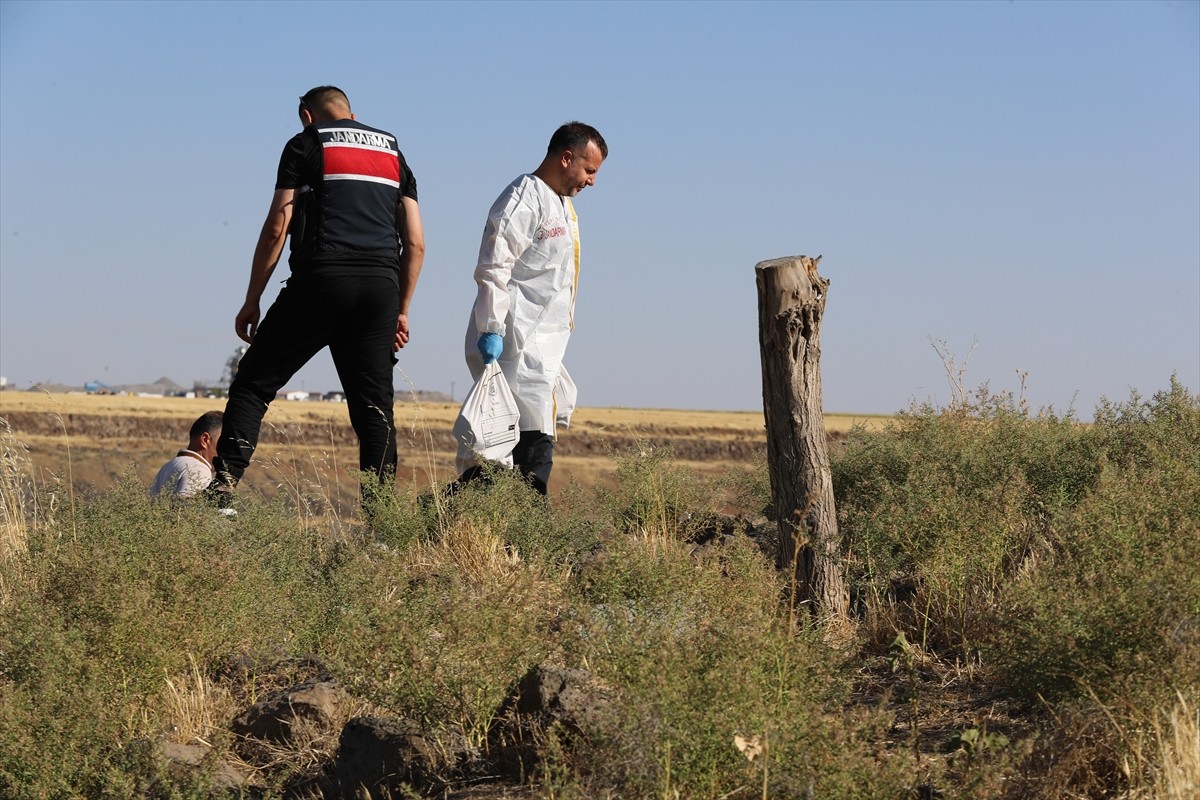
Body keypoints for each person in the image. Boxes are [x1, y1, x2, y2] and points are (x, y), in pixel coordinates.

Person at [208, 86, 425, 507]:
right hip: (380, 289)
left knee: (253, 386)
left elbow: (278, 225)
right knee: (374, 412)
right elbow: (415, 243)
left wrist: (252, 298)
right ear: (351, 112)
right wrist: (402, 311)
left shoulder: (305, 144)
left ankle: (222, 497)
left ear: (308, 116)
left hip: (321, 279)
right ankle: (381, 526)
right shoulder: (394, 153)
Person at [455, 122, 607, 495]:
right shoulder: (523, 199)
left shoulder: (563, 207)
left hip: (541, 352)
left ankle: (507, 537)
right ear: (567, 158)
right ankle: (456, 523)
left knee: (523, 458)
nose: (592, 182)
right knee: (507, 457)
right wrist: (491, 327)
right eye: (589, 170)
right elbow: (495, 266)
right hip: (511, 346)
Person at [151, 411, 223, 499]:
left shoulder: (169, 465)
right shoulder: (198, 469)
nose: (228, 450)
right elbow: (188, 510)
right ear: (205, 440)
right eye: (225, 443)